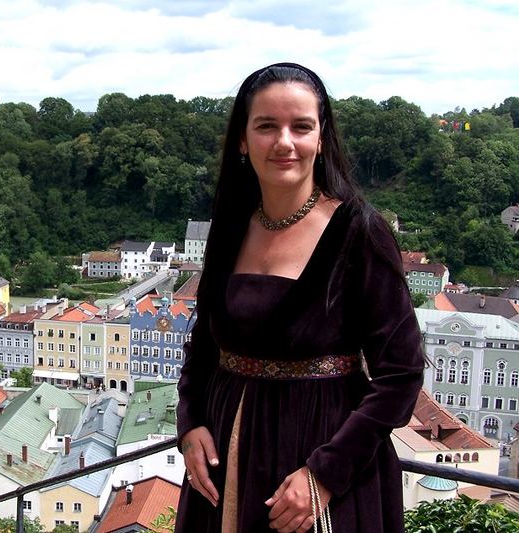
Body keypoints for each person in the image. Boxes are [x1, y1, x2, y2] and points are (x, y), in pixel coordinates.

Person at [175, 63, 425, 532]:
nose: (284, 142)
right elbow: (204, 346)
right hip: (223, 457)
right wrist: (189, 423)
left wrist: (325, 473)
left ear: (322, 137)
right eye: (266, 126)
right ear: (243, 141)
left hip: (317, 460)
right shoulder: (229, 227)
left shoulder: (360, 233)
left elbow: (401, 374)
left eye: (301, 126)